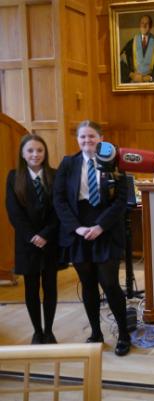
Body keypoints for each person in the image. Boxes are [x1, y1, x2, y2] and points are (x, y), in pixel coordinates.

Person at [53, 120, 131, 356]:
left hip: (106, 228)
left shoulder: (115, 161)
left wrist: (100, 226)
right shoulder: (69, 163)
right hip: (78, 230)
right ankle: (96, 333)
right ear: (77, 140)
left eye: (92, 136)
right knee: (87, 284)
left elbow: (121, 200)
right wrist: (76, 228)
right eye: (82, 137)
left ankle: (124, 335)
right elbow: (59, 199)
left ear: (101, 137)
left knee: (109, 283)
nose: (87, 141)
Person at [6, 134, 62, 344]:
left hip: (50, 241)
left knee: (50, 286)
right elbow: (14, 212)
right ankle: (37, 331)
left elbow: (59, 209)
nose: (35, 154)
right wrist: (32, 236)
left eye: (39, 150)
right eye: (30, 150)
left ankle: (49, 330)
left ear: (45, 152)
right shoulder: (14, 177)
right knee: (31, 288)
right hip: (27, 243)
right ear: (23, 153)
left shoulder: (54, 176)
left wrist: (45, 234)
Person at [120, 14, 154, 83]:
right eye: (142, 23)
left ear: (151, 26)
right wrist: (131, 75)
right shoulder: (131, 43)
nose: (144, 25)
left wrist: (150, 77)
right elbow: (120, 61)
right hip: (134, 82)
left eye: (147, 23)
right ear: (139, 25)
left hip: (152, 83)